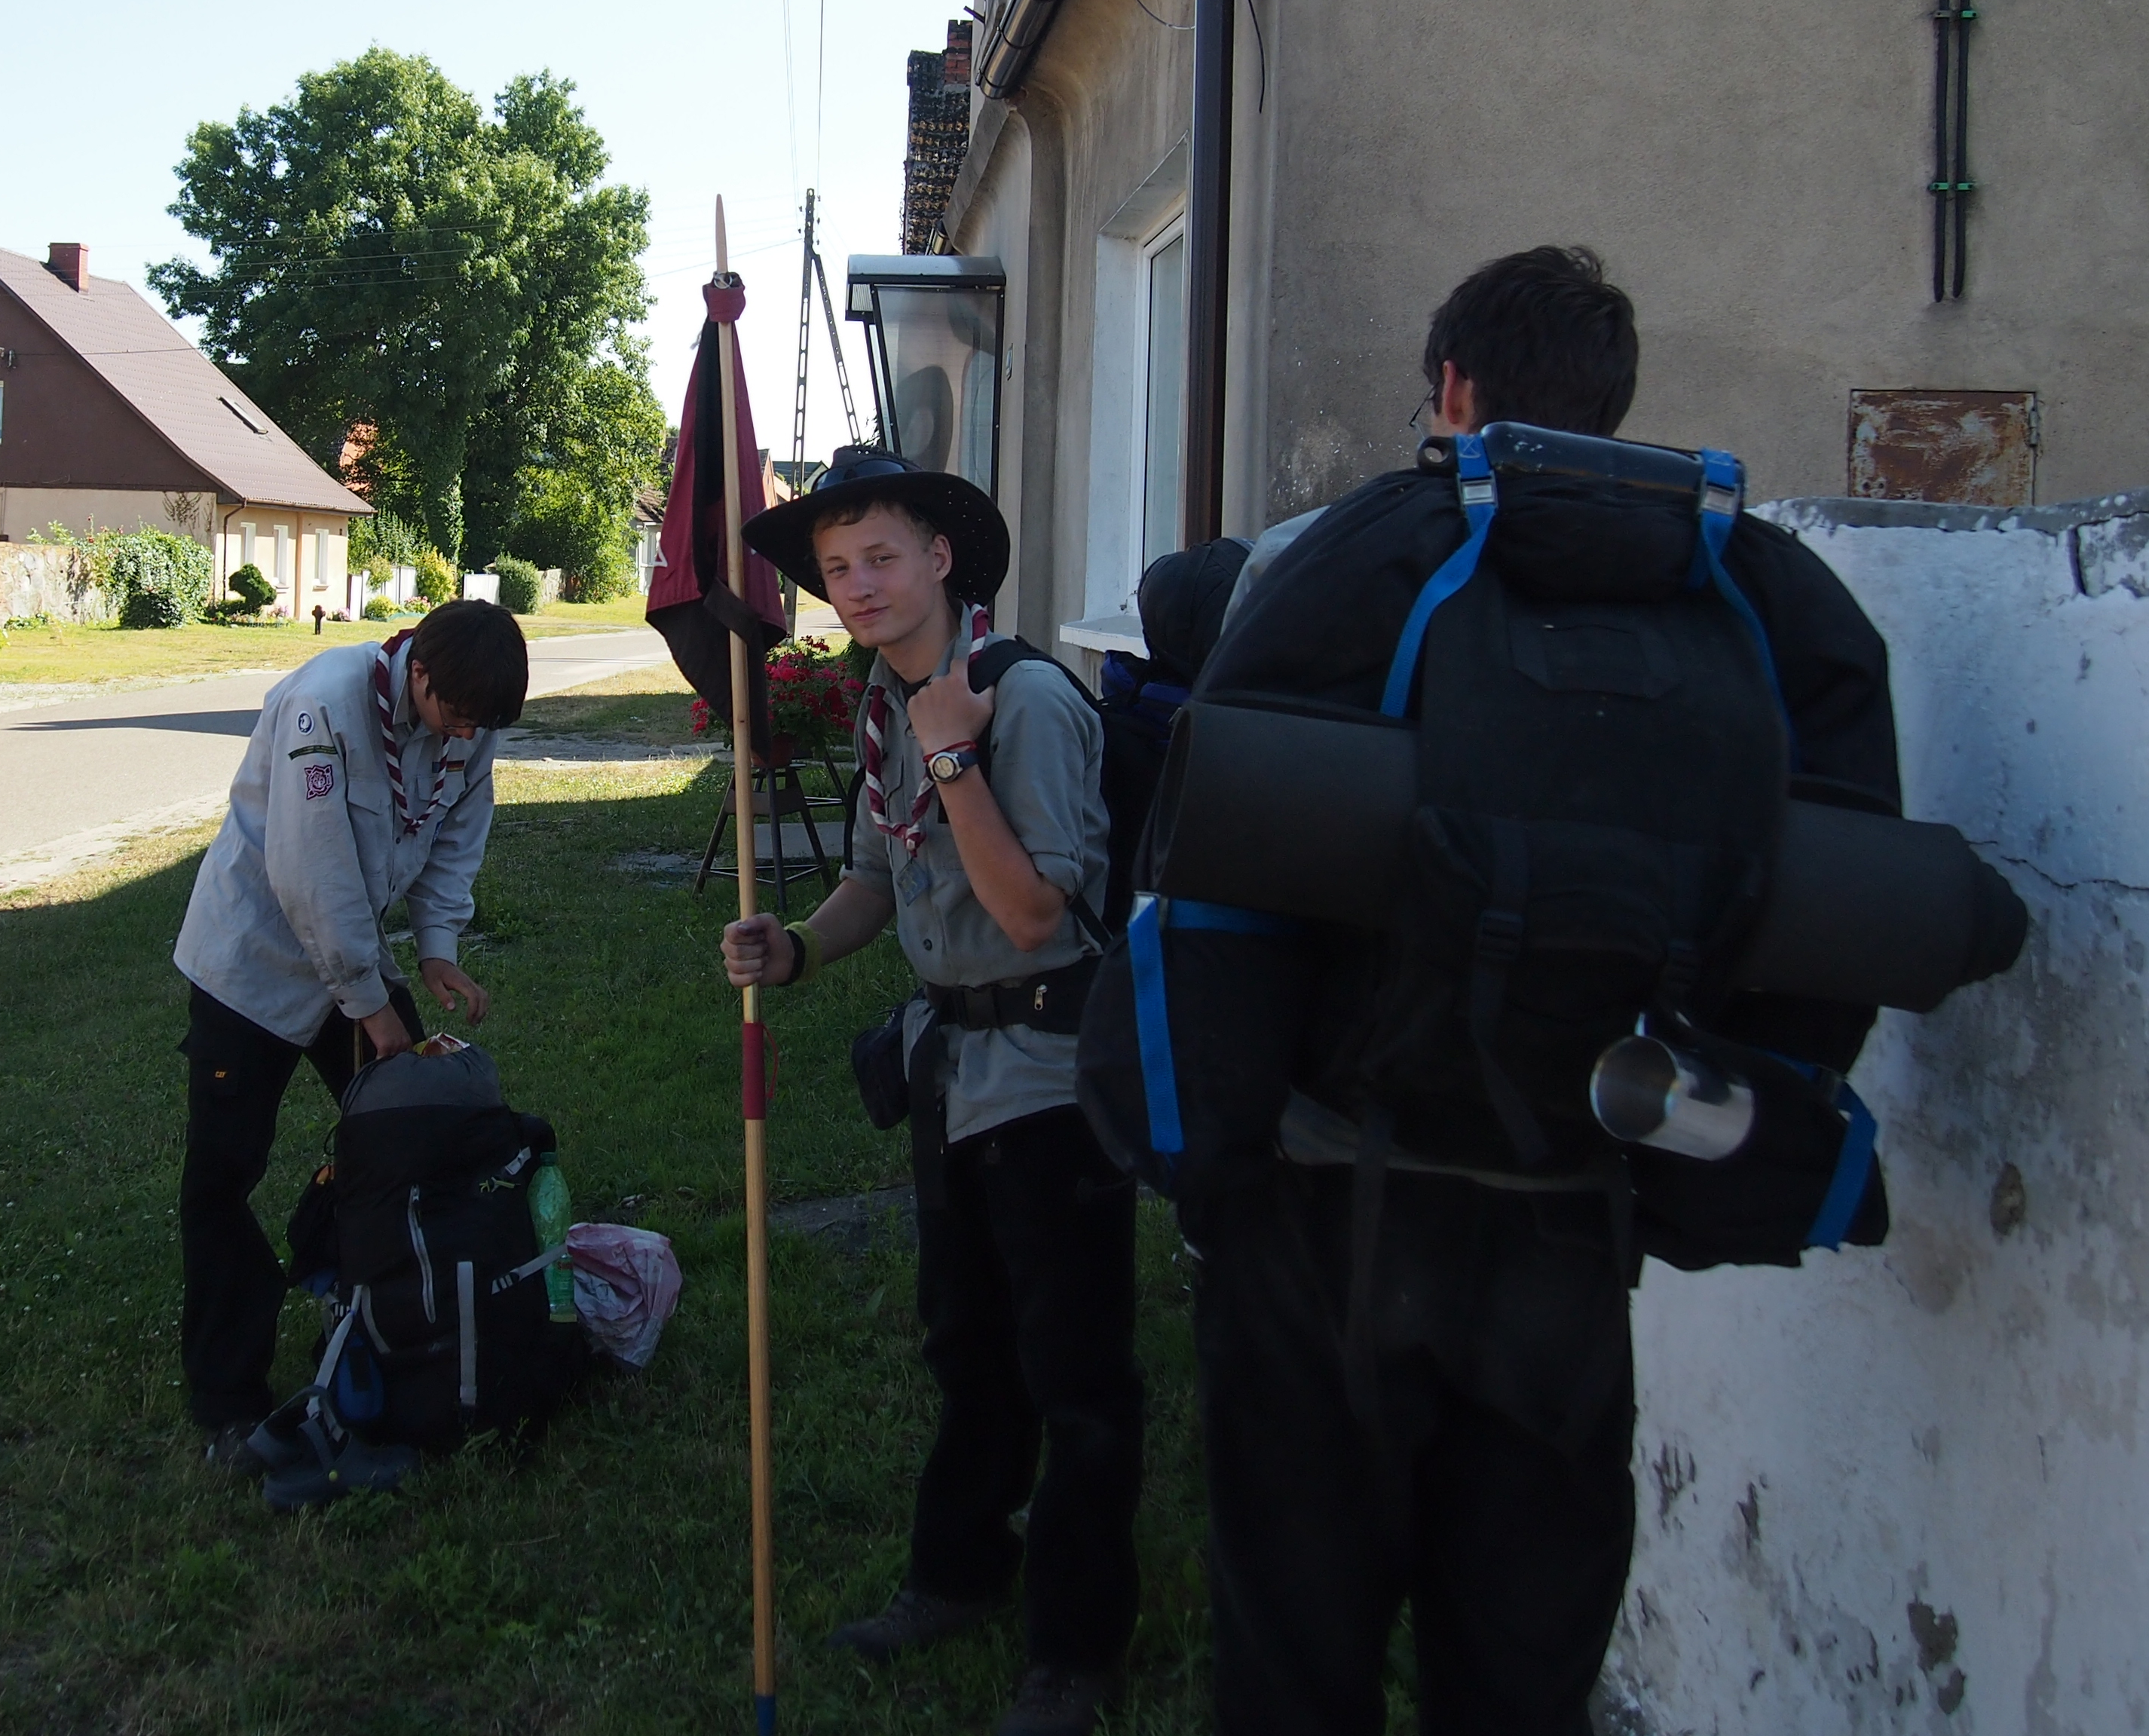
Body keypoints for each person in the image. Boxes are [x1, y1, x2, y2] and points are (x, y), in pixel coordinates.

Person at [1175, 246, 1903, 1732]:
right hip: (1571, 1217)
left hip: (1329, 1212)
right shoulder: (1755, 589)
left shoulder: (1359, 553)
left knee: (1294, 1669)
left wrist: (1206, 1156)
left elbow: (1211, 873)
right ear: (1611, 399)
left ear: (1451, 386)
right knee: (1521, 1680)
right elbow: (1836, 919)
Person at [726, 448, 1135, 1736]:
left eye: (881, 556)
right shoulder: (884, 704)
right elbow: (873, 875)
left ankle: (1073, 1646)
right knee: (966, 1346)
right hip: (951, 1071)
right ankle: (959, 1574)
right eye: (835, 567)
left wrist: (955, 757)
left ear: (942, 558)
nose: (856, 585)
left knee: (1075, 1374)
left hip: (1050, 1079)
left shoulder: (1022, 702)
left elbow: (1032, 916)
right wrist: (797, 949)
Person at [171, 597, 529, 1475]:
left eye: (480, 726)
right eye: (456, 717)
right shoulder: (325, 704)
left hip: (353, 954)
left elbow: (456, 835)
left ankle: (389, 1315)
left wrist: (437, 948)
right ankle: (226, 1397)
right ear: (418, 672)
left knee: (417, 1134)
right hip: (252, 963)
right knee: (223, 1178)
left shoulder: (469, 718)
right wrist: (372, 1010)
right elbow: (312, 874)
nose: (465, 736)